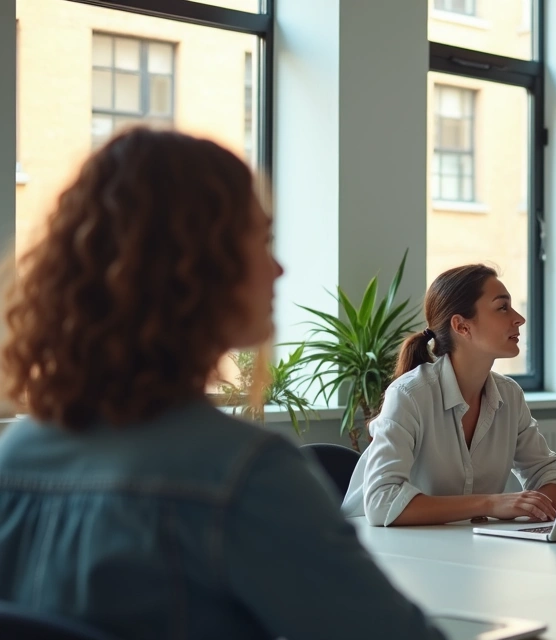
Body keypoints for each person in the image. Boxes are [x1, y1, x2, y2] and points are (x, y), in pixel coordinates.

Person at [0, 129, 444, 639]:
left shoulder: (17, 454)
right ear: (196, 268)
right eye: (260, 240)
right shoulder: (246, 474)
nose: (278, 268)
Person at [341, 264, 556, 526]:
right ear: (461, 326)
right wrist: (491, 503)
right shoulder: (409, 396)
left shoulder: (510, 396)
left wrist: (532, 506)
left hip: (461, 547)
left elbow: (549, 474)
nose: (519, 318)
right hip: (381, 549)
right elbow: (382, 502)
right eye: (502, 307)